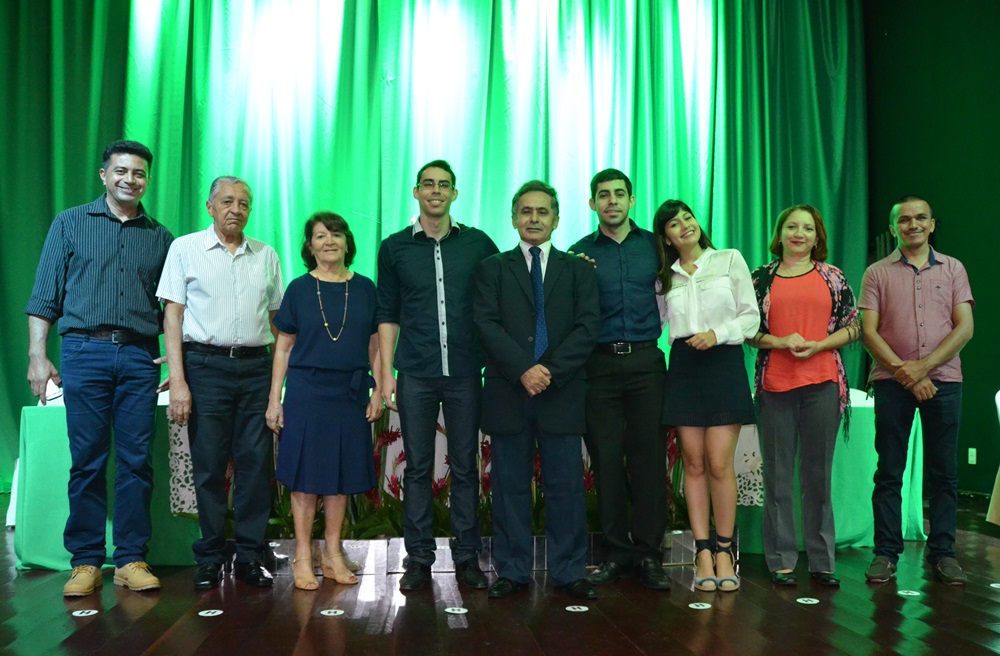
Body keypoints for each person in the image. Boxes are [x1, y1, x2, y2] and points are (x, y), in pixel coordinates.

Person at [25, 140, 172, 597]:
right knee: (87, 460)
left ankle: (130, 559)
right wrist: (37, 355)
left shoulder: (161, 236)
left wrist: (178, 358)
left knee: (136, 462)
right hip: (83, 352)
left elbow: (174, 308)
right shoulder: (70, 223)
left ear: (147, 180)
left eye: (139, 173)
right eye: (121, 171)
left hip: (139, 356)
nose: (131, 179)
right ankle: (86, 561)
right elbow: (44, 295)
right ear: (104, 175)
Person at [473, 180, 601, 600]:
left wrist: (548, 371)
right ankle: (512, 571)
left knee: (566, 486)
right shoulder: (492, 268)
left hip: (561, 390)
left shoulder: (579, 269)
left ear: (556, 219)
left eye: (542, 211)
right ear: (513, 218)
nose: (533, 218)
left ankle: (569, 571)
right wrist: (523, 370)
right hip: (509, 391)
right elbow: (486, 325)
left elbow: (588, 327)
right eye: (525, 211)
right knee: (509, 486)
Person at [375, 160, 499, 591]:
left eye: (444, 185)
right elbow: (387, 314)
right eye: (428, 184)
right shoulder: (394, 248)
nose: (436, 191)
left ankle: (467, 558)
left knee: (465, 467)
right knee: (418, 469)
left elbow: (503, 292)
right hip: (415, 373)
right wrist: (386, 374)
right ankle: (419, 560)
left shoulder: (478, 244)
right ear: (416, 192)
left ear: (454, 194)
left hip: (465, 372)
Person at [157, 176, 284, 590]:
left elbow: (278, 322)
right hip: (206, 368)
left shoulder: (265, 254)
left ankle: (249, 556)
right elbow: (172, 317)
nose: (236, 209)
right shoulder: (185, 249)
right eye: (227, 201)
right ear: (210, 207)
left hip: (256, 368)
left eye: (244, 203)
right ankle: (211, 557)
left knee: (255, 466)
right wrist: (178, 380)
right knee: (209, 467)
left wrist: (280, 383)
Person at [859, 196, 974, 585]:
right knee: (889, 471)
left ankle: (943, 554)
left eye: (921, 218)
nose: (913, 225)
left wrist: (923, 368)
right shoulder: (876, 273)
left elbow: (965, 327)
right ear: (893, 228)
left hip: (945, 381)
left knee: (944, 473)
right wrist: (905, 372)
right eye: (904, 220)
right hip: (891, 382)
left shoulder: (954, 269)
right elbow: (868, 333)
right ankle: (885, 553)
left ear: (932, 224)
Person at [265, 212, 383, 590]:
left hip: (349, 394)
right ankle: (303, 555)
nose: (329, 241)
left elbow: (374, 345)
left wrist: (379, 390)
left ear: (348, 242)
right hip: (306, 392)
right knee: (305, 477)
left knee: (340, 476)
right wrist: (275, 399)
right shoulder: (300, 289)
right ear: (309, 246)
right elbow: (283, 348)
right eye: (320, 236)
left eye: (336, 234)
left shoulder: (365, 288)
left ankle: (332, 553)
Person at [750, 204, 861, 588]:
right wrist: (779, 341)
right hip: (774, 387)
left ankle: (822, 562)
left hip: (823, 384)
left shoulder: (833, 277)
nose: (799, 234)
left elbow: (854, 327)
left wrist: (819, 345)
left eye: (808, 228)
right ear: (779, 234)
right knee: (778, 477)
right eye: (792, 227)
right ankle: (781, 562)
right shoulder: (761, 278)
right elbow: (747, 331)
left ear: (817, 237)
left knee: (818, 477)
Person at [569, 169, 670, 590]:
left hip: (647, 363)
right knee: (607, 461)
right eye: (603, 195)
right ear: (592, 203)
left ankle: (648, 555)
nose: (611, 201)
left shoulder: (657, 246)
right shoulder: (578, 254)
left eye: (618, 194)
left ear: (632, 200)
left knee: (649, 461)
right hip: (599, 367)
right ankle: (614, 553)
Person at [653, 199, 758, 592]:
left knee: (719, 464)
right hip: (684, 367)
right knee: (693, 464)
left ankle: (725, 551)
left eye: (688, 217)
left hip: (723, 362)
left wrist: (718, 334)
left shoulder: (729, 259)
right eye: (674, 223)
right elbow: (654, 322)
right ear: (666, 237)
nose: (685, 225)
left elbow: (751, 317)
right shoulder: (665, 278)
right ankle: (702, 553)